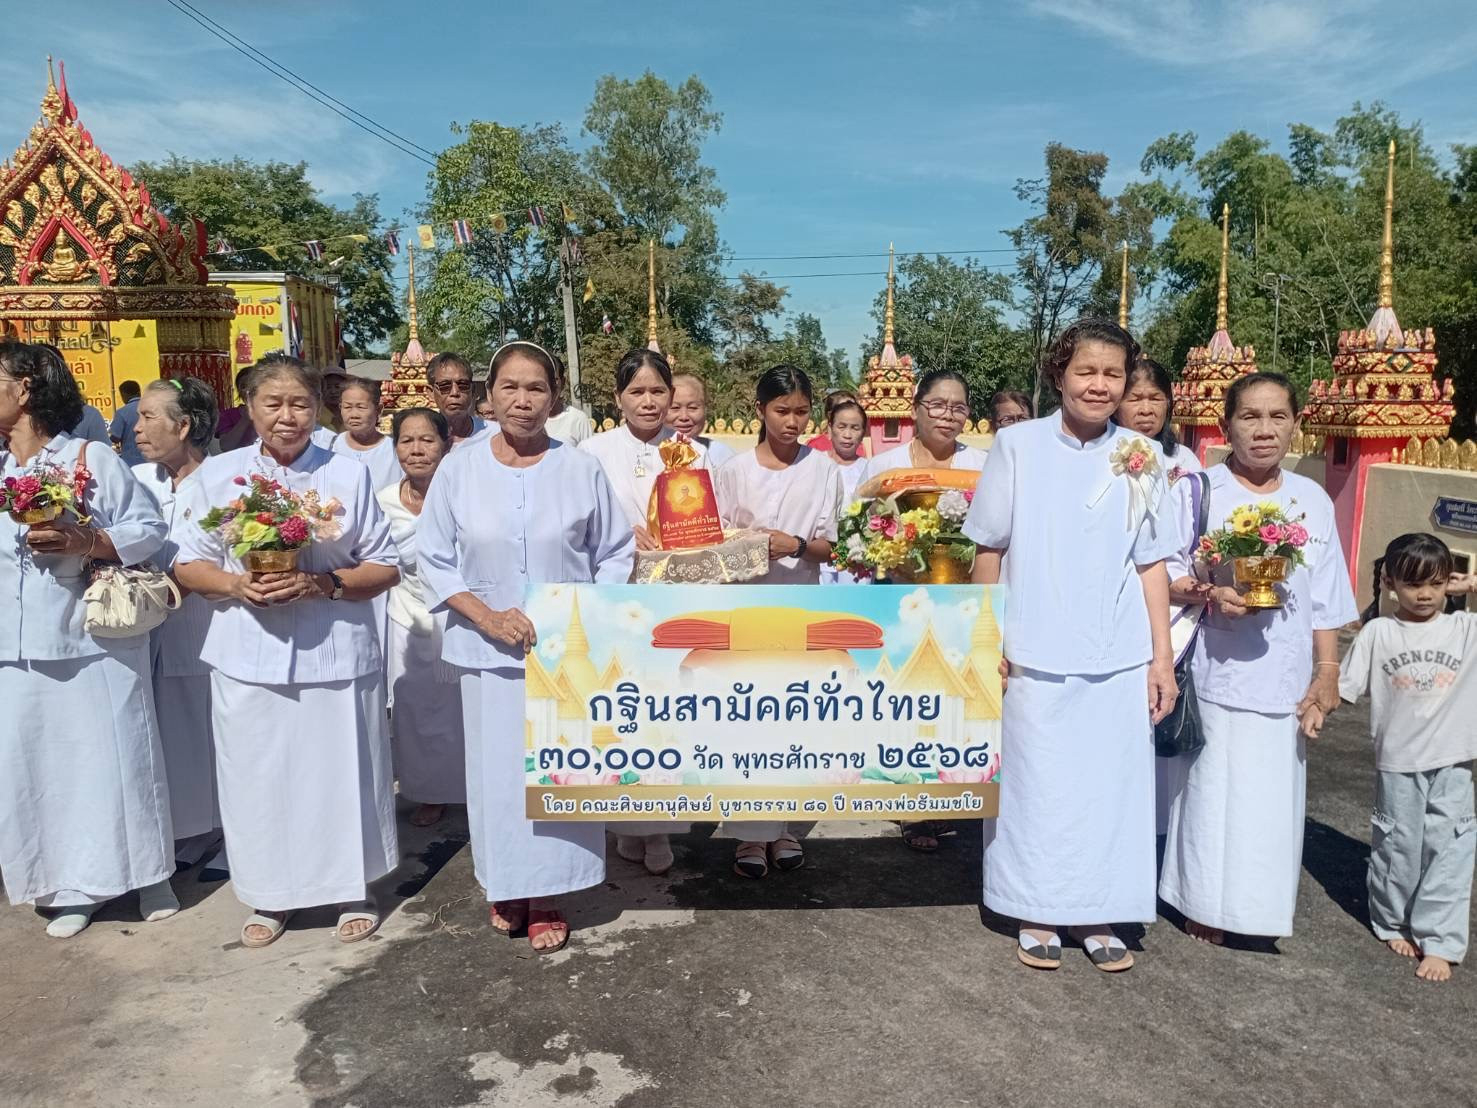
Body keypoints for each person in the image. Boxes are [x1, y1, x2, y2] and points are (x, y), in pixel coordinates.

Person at [964, 319, 1179, 972]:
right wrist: (984, 638)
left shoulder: (1142, 457)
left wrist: (1161, 659)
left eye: (1112, 374)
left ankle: (1097, 911)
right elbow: (989, 549)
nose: (1099, 385)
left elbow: (1150, 564)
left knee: (1109, 790)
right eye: (1085, 370)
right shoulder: (1018, 446)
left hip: (1116, 655)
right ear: (1058, 373)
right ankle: (1035, 907)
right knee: (1037, 787)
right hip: (1031, 650)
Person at [174, 355, 401, 948]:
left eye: (299, 404)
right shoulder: (218, 477)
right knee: (259, 777)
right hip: (248, 653)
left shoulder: (346, 476)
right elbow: (185, 560)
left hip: (335, 649)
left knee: (340, 773)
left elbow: (384, 565)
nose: (287, 416)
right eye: (272, 404)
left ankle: (351, 886)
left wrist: (323, 583)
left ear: (316, 410)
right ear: (248, 408)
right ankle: (269, 894)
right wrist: (233, 585)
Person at [418, 340, 634, 953]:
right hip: (486, 653)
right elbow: (433, 556)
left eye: (535, 388)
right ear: (489, 397)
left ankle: (550, 894)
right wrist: (484, 615)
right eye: (509, 387)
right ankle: (507, 884)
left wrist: (579, 614)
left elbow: (615, 552)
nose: (522, 400)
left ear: (554, 397)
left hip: (561, 651)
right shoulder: (459, 468)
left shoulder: (580, 466)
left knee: (558, 772)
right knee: (498, 777)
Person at [1159, 372, 1358, 946]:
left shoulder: (1312, 500)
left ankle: (1259, 913)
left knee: (1272, 802)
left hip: (1285, 678)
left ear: (1296, 425)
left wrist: (1326, 673)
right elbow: (1163, 573)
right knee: (1210, 796)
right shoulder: (1199, 492)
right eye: (1250, 417)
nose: (1264, 430)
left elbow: (1325, 598)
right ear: (1226, 427)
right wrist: (1209, 591)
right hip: (1215, 670)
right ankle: (1200, 903)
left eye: (1277, 417)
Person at [0, 340, 177, 938]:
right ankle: (70, 882)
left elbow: (149, 528)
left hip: (94, 637)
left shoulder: (87, 458)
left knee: (117, 760)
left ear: (24, 388)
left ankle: (148, 874)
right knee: (40, 769)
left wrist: (86, 542)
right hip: (15, 648)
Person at [711, 364, 844, 878]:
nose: (792, 422)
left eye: (802, 412)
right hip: (742, 610)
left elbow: (834, 547)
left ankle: (785, 827)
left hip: (799, 607)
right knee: (745, 722)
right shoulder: (733, 472)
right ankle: (746, 835)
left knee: (793, 721)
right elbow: (712, 539)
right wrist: (748, 544)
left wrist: (794, 545)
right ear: (760, 411)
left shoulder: (824, 470)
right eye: (781, 411)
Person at [1337, 534, 1477, 983]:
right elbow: (1346, 685)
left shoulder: (1465, 629)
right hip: (1398, 761)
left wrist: (1466, 588)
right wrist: (1318, 708)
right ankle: (1392, 921)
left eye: (1436, 584)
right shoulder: (1379, 632)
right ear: (1390, 581)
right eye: (1414, 584)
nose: (1425, 594)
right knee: (1398, 847)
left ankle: (1439, 939)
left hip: (1456, 759)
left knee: (1451, 848)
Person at [131, 378, 229, 876]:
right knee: (175, 736)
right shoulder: (138, 481)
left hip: (206, 627)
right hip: (150, 634)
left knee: (215, 734)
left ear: (184, 425)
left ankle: (229, 833)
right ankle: (192, 830)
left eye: (149, 416)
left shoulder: (221, 481)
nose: (138, 426)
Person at [377, 407, 465, 829]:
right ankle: (430, 792)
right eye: (406, 440)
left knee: (463, 710)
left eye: (427, 440)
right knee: (414, 711)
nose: (416, 450)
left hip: (461, 616)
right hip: (406, 618)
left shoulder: (465, 495)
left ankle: (472, 789)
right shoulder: (381, 503)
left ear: (446, 445)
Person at [581, 348, 716, 553]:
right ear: (618, 398)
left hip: (678, 574)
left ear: (670, 396)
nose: (648, 403)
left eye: (657, 392)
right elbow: (578, 524)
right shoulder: (592, 452)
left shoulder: (692, 452)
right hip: (618, 575)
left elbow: (710, 525)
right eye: (636, 392)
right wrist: (619, 534)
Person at [858, 370, 988, 485]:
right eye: (937, 405)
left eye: (959, 408)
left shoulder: (983, 466)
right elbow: (859, 511)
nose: (948, 416)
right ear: (914, 410)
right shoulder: (882, 467)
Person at [1113, 356, 1200, 475]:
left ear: (1168, 403)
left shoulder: (1184, 460)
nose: (1146, 410)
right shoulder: (1107, 457)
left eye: (1155, 399)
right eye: (1135, 400)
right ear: (1115, 407)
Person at [818, 394, 868, 586]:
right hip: (818, 556)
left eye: (855, 428)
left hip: (857, 557)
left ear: (863, 433)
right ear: (830, 429)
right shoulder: (815, 464)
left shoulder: (869, 468)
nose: (848, 435)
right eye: (842, 427)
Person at [331, 377, 403, 492]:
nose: (354, 414)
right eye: (347, 407)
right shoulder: (331, 446)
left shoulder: (394, 450)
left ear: (378, 410)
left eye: (361, 407)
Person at [666, 371, 734, 466]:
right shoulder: (646, 454)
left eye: (692, 408)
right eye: (675, 408)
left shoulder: (723, 457)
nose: (684, 417)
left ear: (705, 409)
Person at [427, 352, 493, 448]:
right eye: (445, 386)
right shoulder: (418, 442)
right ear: (431, 392)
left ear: (472, 390)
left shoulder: (494, 435)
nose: (455, 392)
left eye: (463, 385)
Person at [545, 356, 593, 447]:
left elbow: (588, 457)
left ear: (562, 382)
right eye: (545, 379)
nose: (549, 385)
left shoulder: (578, 419)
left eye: (554, 380)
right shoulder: (526, 420)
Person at [217, 366, 259, 451]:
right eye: (243, 386)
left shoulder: (272, 412)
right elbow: (225, 447)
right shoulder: (228, 415)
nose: (247, 390)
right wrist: (245, 419)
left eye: (253, 386)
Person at [109, 378, 144, 466]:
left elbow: (115, 437)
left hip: (132, 461)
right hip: (154, 461)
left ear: (124, 394)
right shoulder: (152, 408)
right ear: (139, 392)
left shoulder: (122, 412)